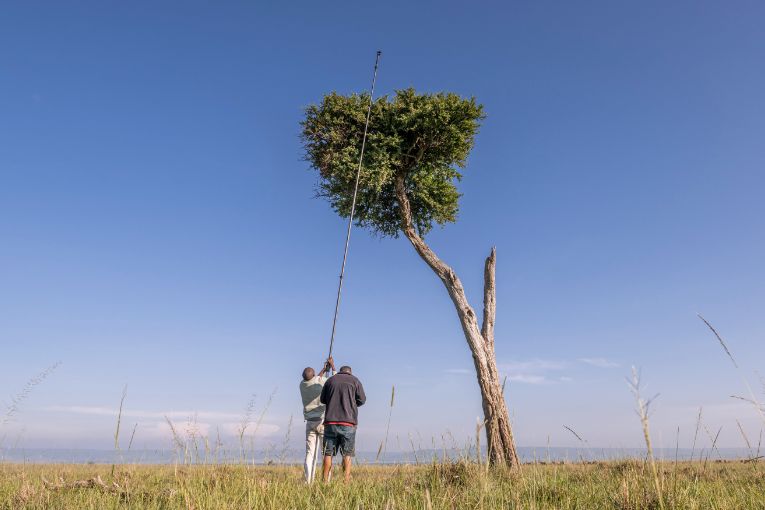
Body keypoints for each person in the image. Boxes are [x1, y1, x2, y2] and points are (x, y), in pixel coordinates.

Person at [319, 365, 366, 482]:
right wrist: (352, 404)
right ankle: (346, 481)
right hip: (348, 423)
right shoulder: (355, 381)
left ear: (340, 372)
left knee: (328, 454)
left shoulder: (330, 381)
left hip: (330, 422)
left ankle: (324, 482)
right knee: (347, 454)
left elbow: (322, 399)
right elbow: (362, 400)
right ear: (350, 372)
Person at [299, 356, 334, 483]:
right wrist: (332, 366)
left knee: (310, 453)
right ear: (314, 376)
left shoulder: (302, 385)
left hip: (310, 422)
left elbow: (314, 379)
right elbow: (333, 380)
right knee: (326, 452)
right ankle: (326, 480)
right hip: (322, 421)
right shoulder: (320, 382)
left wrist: (323, 370)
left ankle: (308, 481)